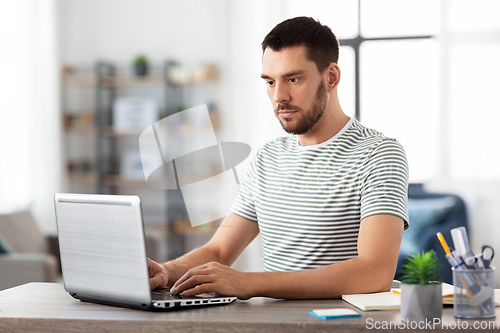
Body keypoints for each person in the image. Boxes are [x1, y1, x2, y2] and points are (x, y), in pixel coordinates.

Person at [148, 16, 409, 300]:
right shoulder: (267, 158)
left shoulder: (379, 154)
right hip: (270, 322)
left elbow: (375, 273)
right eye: (270, 82)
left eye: (293, 79)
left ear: (331, 77)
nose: (278, 96)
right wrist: (166, 270)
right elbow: (219, 251)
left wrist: (249, 283)